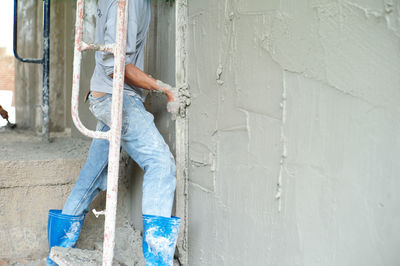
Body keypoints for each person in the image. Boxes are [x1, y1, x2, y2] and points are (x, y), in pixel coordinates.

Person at [46, 0, 180, 265]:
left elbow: (108, 53)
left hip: (107, 95)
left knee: (92, 177)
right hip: (117, 97)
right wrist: (164, 88)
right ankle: (157, 261)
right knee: (161, 164)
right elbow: (115, 64)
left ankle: (55, 257)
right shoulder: (129, 3)